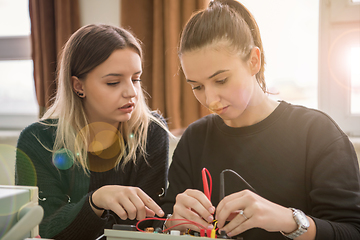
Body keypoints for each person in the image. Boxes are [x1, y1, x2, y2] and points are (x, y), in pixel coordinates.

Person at [161, 0, 360, 239]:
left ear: (253, 61)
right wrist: (174, 223)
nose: (211, 99)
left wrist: (289, 220)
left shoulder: (317, 133)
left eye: (221, 80)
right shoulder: (194, 140)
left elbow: (351, 231)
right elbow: (164, 224)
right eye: (197, 86)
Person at [15, 24, 171, 240]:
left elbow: (149, 224)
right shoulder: (37, 140)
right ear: (78, 86)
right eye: (113, 82)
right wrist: (95, 201)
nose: (131, 92)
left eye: (136, 78)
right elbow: (43, 228)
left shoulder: (151, 131)